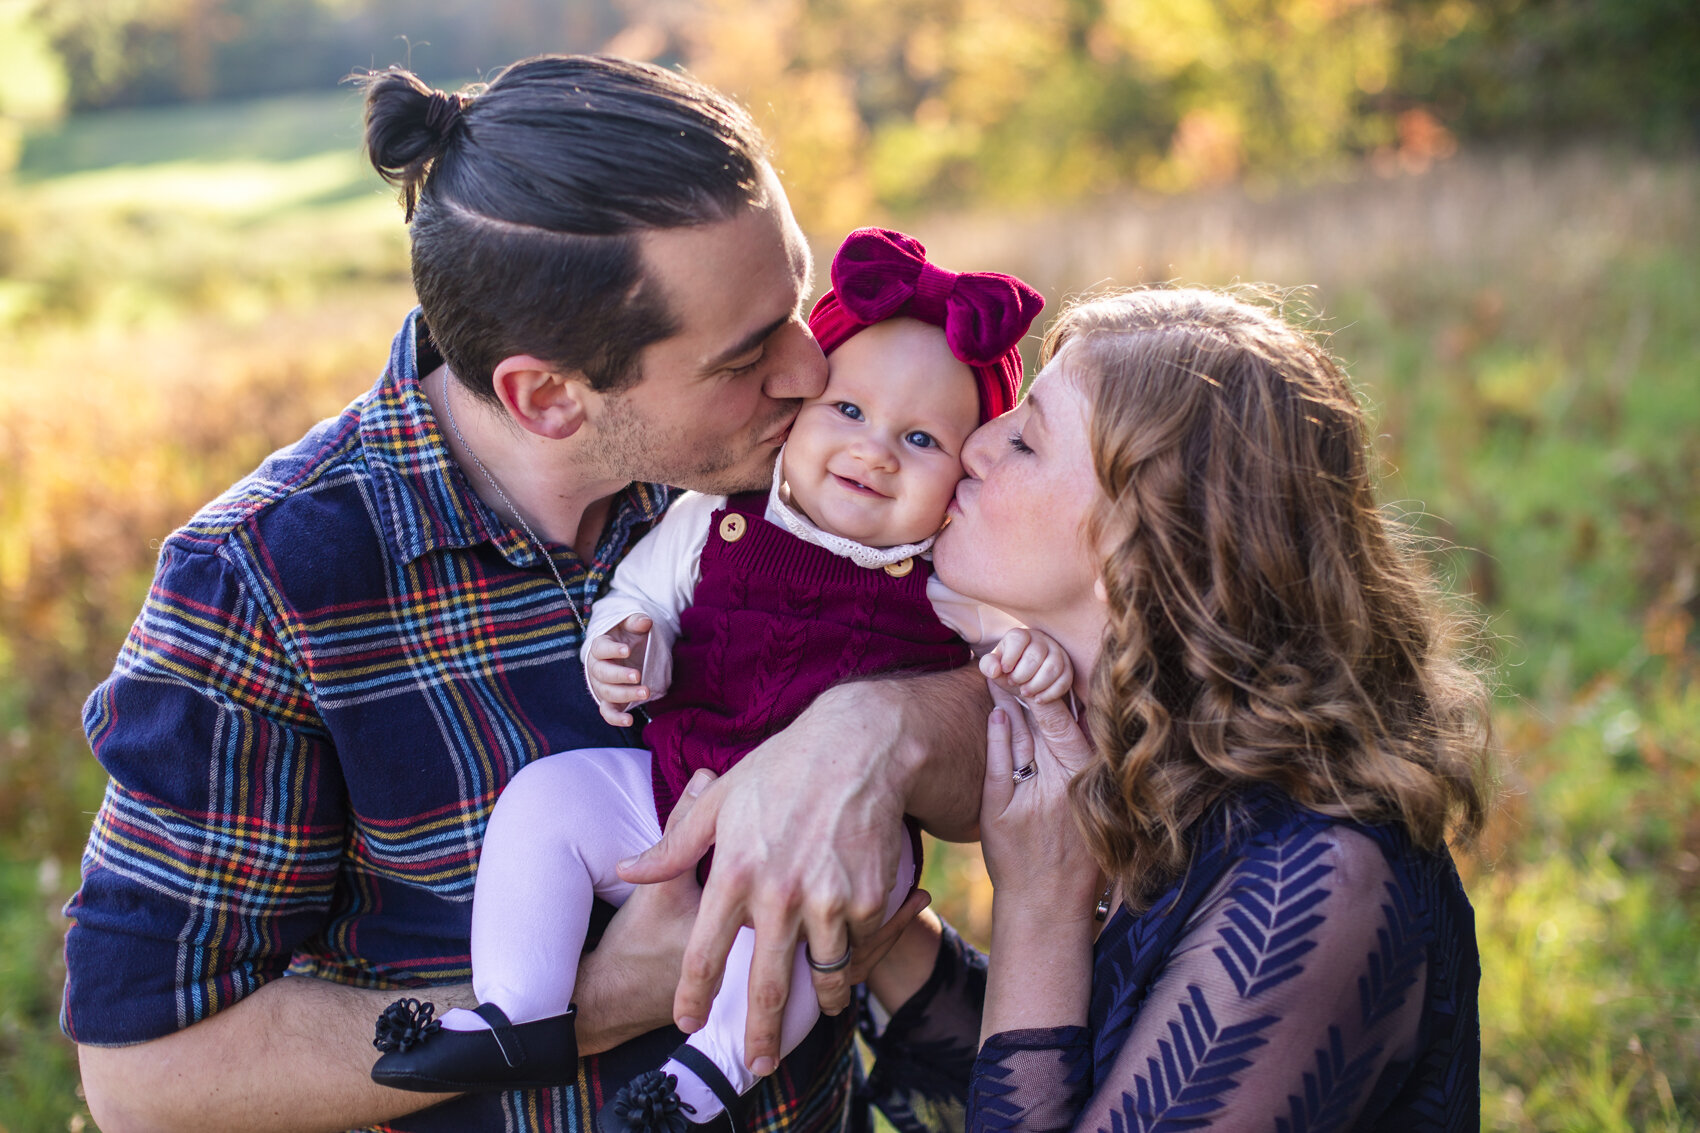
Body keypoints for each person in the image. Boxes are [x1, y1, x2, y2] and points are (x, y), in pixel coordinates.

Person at [63, 57, 991, 1133]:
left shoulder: (800, 472)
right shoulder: (264, 584)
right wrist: (599, 1005)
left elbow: (1002, 728)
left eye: (799, 306)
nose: (808, 369)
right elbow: (144, 1077)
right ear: (548, 396)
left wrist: (876, 726)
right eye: (746, 355)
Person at [368, 227, 1048, 1132]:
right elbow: (640, 591)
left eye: (920, 439)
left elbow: (1000, 660)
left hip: (822, 853)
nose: (875, 450)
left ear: (962, 477)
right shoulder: (719, 518)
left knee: (836, 918)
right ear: (798, 414)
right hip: (666, 796)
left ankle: (701, 1080)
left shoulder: (941, 577)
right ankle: (515, 1008)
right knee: (546, 799)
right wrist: (625, 645)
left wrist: (1022, 657)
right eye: (847, 411)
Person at [863, 287, 1492, 1130]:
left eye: (1026, 438)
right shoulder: (1162, 759)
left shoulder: (1318, 883)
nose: (974, 446)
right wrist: (875, 931)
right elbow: (1068, 1063)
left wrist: (1041, 908)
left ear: (1140, 541)